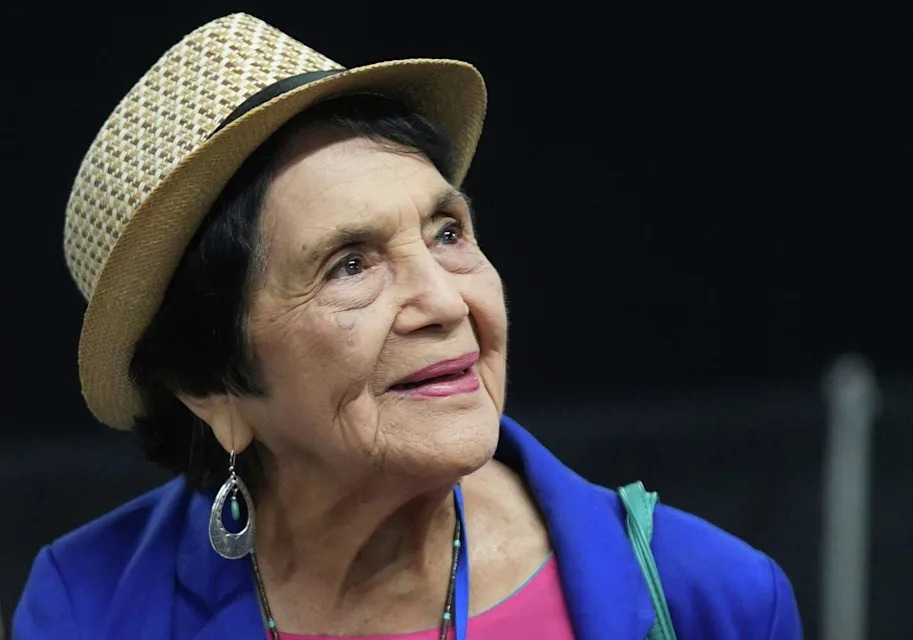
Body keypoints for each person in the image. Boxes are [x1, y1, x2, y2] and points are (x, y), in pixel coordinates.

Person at [14, 13, 802, 640]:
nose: (448, 303)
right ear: (210, 381)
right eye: (350, 263)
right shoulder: (88, 608)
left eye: (448, 233)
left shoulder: (711, 598)